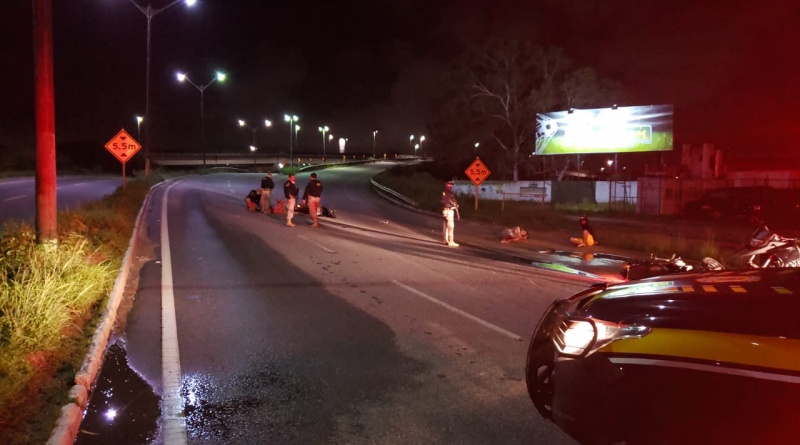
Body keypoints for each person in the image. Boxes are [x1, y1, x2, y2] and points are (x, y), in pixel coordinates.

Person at [441, 180, 459, 247]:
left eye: (451, 185)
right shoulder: (448, 192)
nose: (451, 186)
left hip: (444, 210)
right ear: (446, 185)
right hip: (448, 210)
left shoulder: (444, 192)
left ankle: (445, 240)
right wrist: (453, 205)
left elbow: (443, 201)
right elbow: (447, 201)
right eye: (449, 184)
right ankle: (451, 241)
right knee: (451, 226)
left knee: (445, 226)